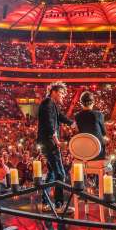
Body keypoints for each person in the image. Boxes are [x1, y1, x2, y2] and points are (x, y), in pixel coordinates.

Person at [37, 82, 74, 210]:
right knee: (60, 174)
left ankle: (45, 203)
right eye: (62, 93)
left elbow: (60, 117)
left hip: (46, 142)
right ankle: (59, 205)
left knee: (52, 172)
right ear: (54, 91)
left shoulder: (51, 104)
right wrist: (56, 140)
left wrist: (72, 123)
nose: (63, 96)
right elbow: (50, 123)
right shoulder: (48, 103)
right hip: (49, 143)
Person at [73, 91, 107, 160]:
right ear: (93, 102)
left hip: (83, 153)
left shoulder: (77, 116)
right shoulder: (99, 114)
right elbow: (104, 133)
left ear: (81, 103)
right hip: (98, 153)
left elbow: (77, 132)